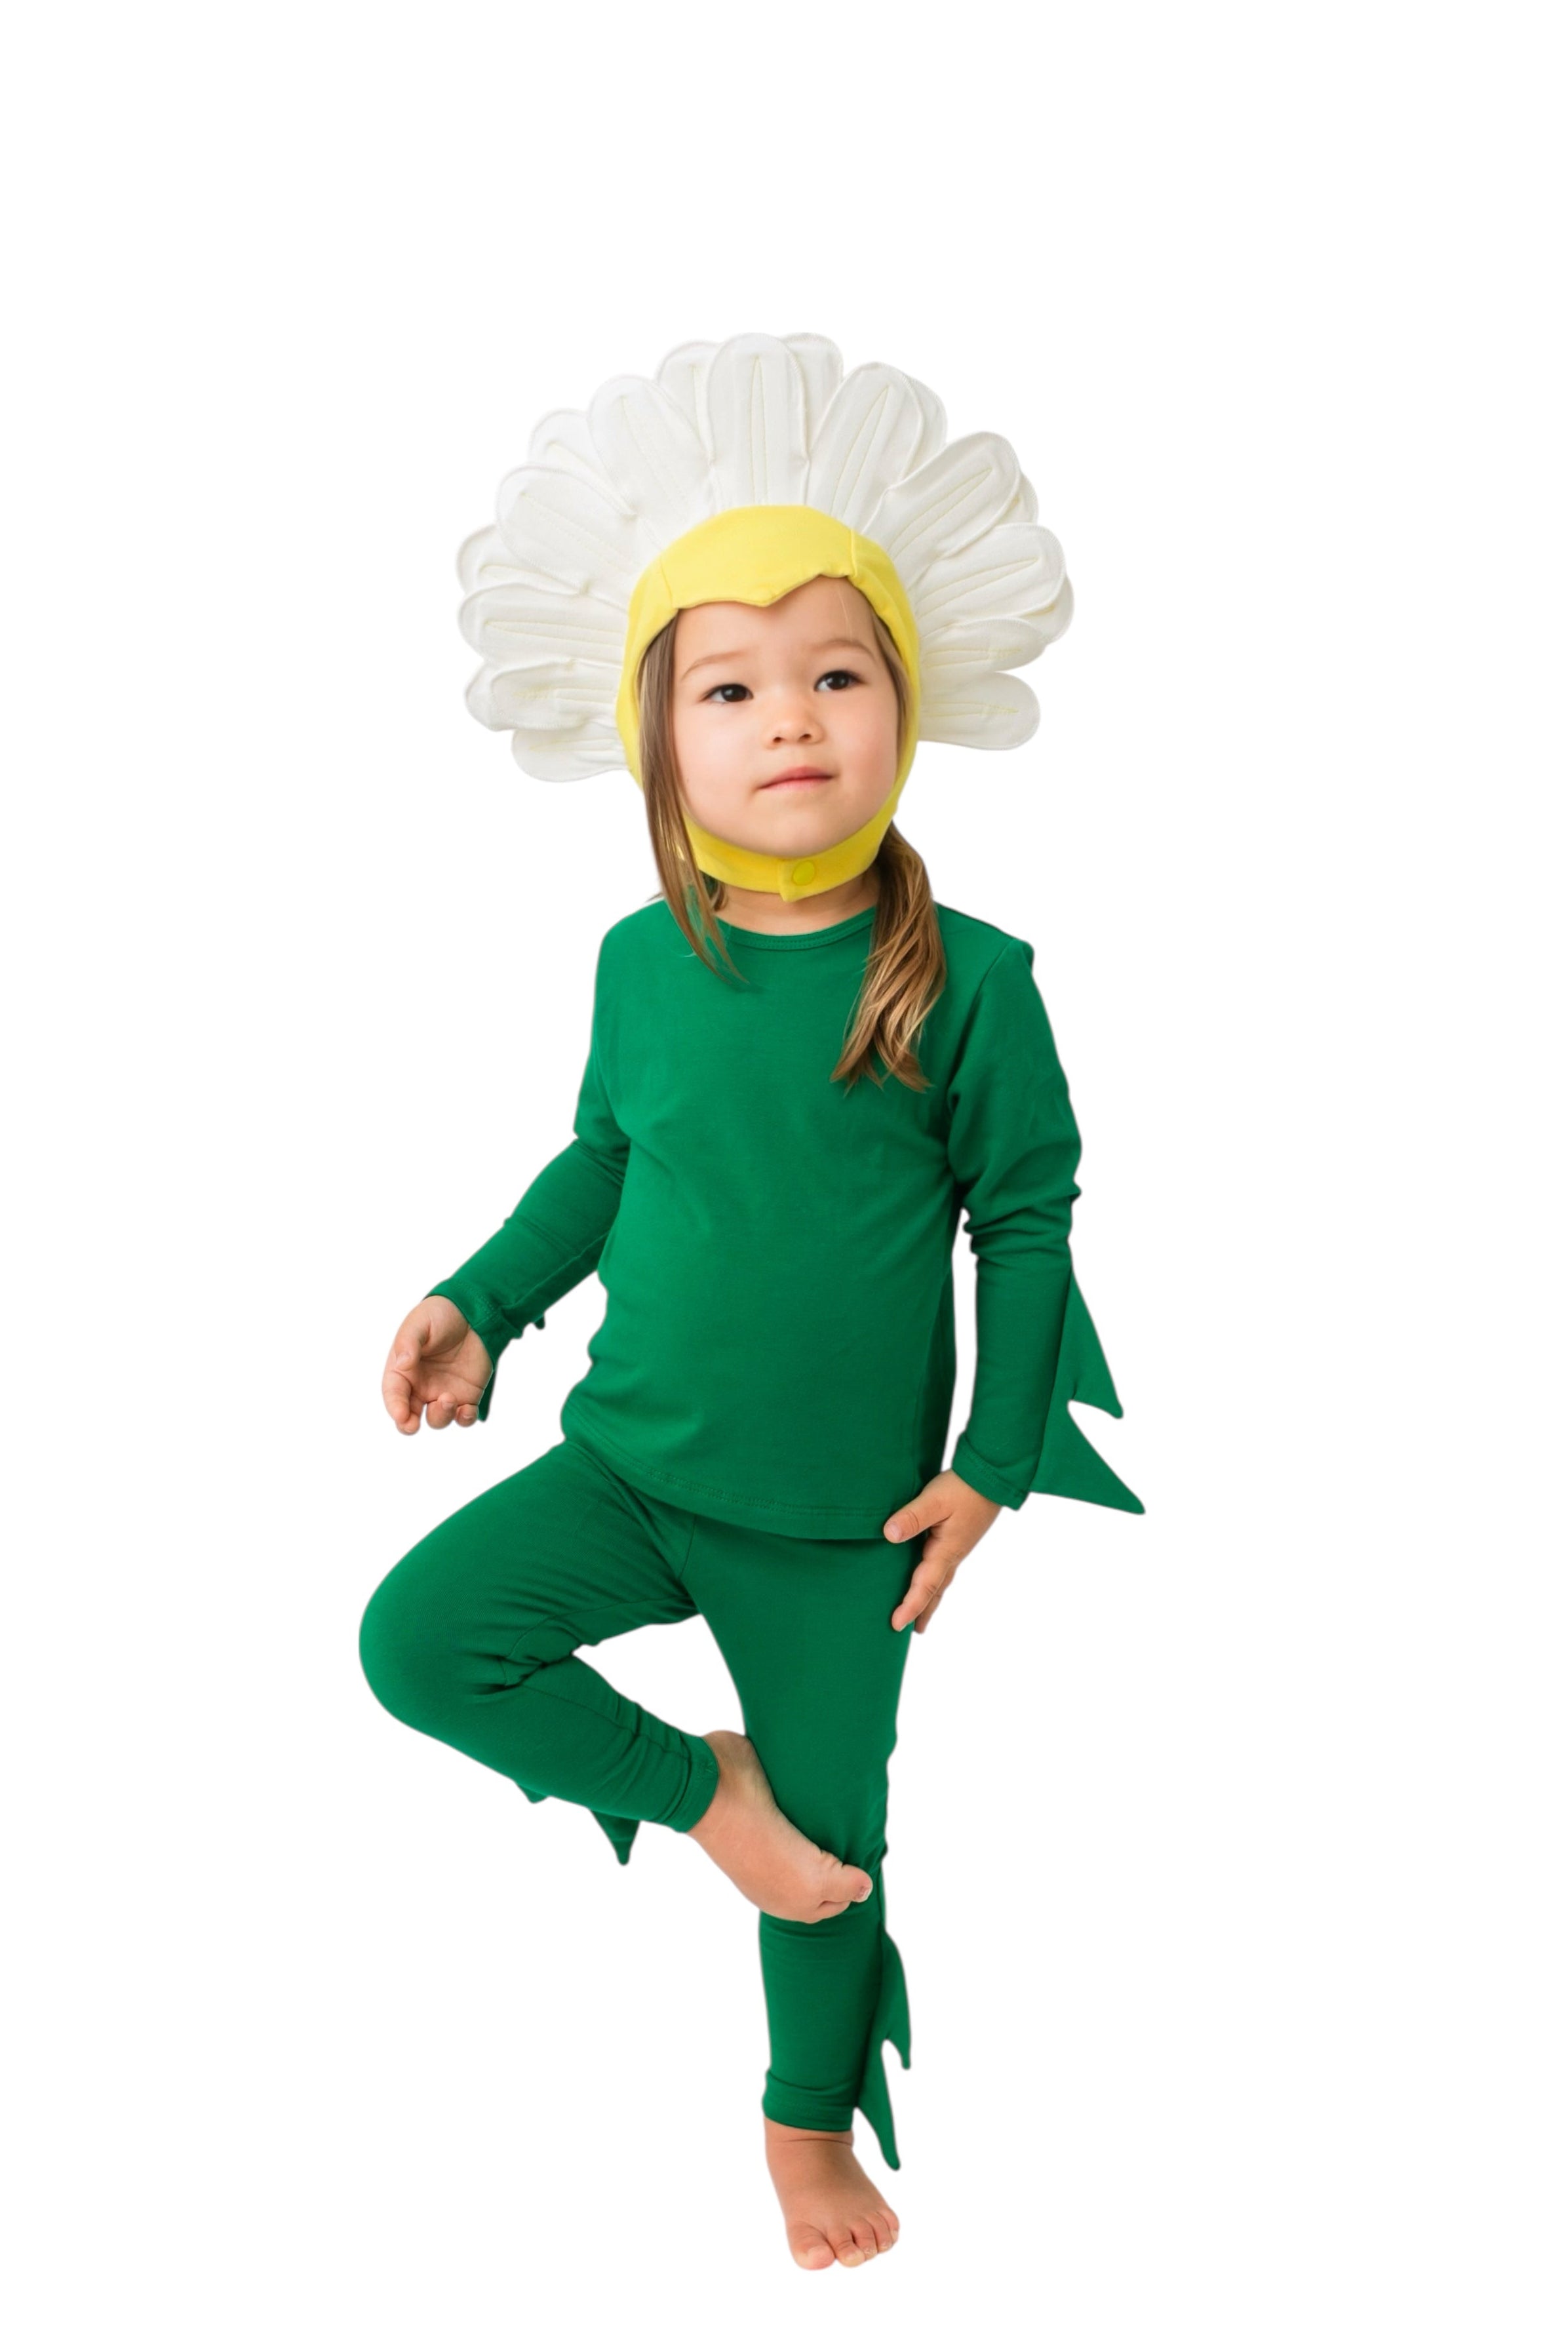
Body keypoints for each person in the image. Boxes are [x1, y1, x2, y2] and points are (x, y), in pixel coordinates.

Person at [358, 334, 1142, 2271]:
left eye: (836, 670)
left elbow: (1028, 1224)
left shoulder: (971, 979)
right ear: (665, 739)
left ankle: (805, 2132)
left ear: (901, 706)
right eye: (733, 682)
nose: (789, 714)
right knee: (421, 1638)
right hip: (634, 1465)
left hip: (841, 1525)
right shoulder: (640, 960)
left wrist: (988, 1470)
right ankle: (696, 1794)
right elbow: (604, 1165)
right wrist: (485, 1298)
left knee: (837, 1860)